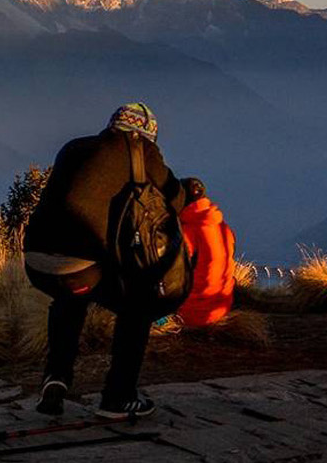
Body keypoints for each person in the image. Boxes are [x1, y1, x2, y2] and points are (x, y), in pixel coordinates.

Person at [22, 102, 185, 419]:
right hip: (84, 266)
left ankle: (56, 377)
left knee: (69, 298)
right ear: (144, 134)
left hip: (36, 262)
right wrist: (189, 190)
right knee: (137, 306)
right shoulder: (142, 152)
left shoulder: (73, 148)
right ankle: (119, 397)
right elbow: (173, 199)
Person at [175, 177, 236, 327]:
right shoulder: (223, 227)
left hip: (193, 313)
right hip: (222, 307)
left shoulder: (188, 230)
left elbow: (173, 270)